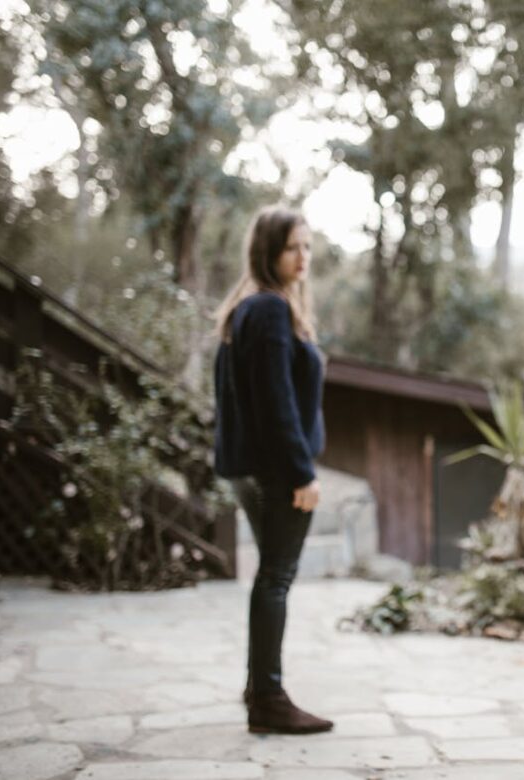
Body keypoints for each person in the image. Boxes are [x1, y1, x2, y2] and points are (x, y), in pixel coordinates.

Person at [213, 205, 333, 735]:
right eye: (292, 247)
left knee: (271, 577)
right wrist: (301, 472)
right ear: (268, 252)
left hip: (256, 469)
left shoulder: (252, 308)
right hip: (275, 472)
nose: (303, 256)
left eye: (307, 246)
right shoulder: (268, 311)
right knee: (276, 578)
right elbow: (276, 403)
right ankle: (268, 697)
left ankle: (260, 687)